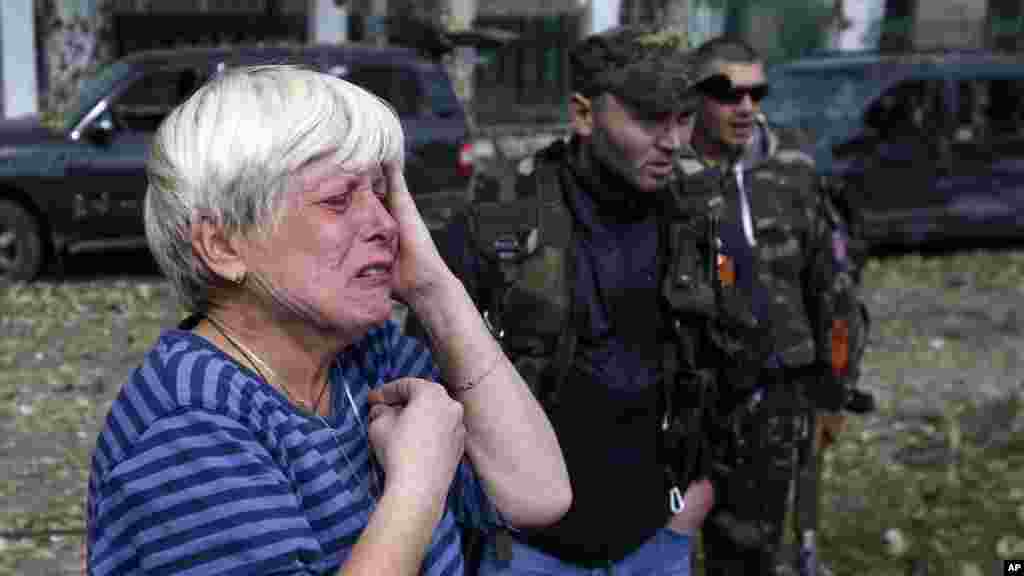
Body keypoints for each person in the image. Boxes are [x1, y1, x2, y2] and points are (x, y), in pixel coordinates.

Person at [85, 65, 571, 576]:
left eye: (382, 194)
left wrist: (435, 290)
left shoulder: (363, 356)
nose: (386, 224)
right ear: (223, 245)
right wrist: (417, 485)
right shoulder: (191, 426)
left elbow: (537, 494)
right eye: (339, 200)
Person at [423, 25, 714, 576]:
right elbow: (427, 376)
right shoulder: (501, 222)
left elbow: (731, 358)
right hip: (529, 549)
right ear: (584, 115)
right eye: (650, 119)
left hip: (655, 538)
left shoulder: (696, 216)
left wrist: (688, 512)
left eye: (682, 118)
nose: (673, 141)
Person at [677, 37, 871, 575]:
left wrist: (835, 390)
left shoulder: (794, 169)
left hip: (775, 393)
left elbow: (832, 290)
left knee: (750, 547)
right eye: (727, 92)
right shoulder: (668, 174)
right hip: (686, 394)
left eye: (755, 92)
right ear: (696, 96)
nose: (744, 107)